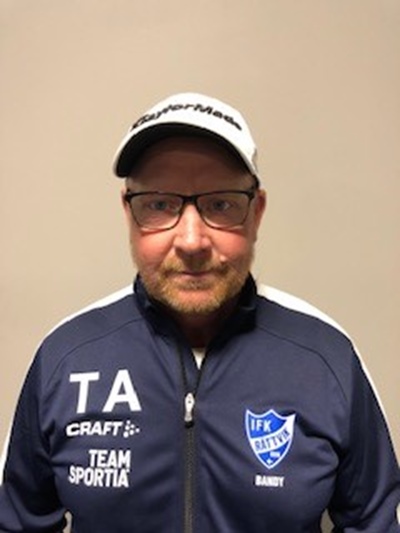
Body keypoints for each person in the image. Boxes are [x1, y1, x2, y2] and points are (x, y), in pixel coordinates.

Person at [0, 92, 399, 532]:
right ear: (129, 214)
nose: (192, 241)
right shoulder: (67, 356)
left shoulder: (326, 358)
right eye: (159, 204)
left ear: (256, 213)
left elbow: (375, 523)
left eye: (220, 204)